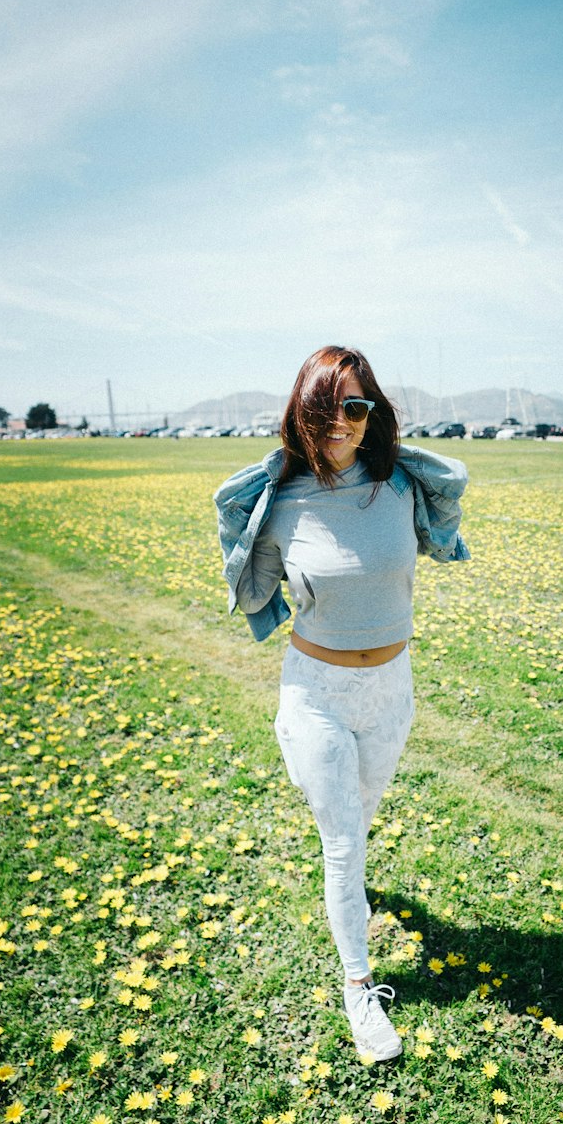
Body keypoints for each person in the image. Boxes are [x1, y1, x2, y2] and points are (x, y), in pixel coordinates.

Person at [214, 346, 469, 1061]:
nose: (341, 423)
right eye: (326, 408)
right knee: (344, 838)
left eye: (356, 408)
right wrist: (243, 532)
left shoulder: (399, 488)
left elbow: (447, 510)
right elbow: (256, 592)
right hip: (316, 692)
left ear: (373, 415)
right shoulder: (282, 501)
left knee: (361, 813)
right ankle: (360, 988)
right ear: (302, 412)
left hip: (392, 689)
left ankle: (354, 890)